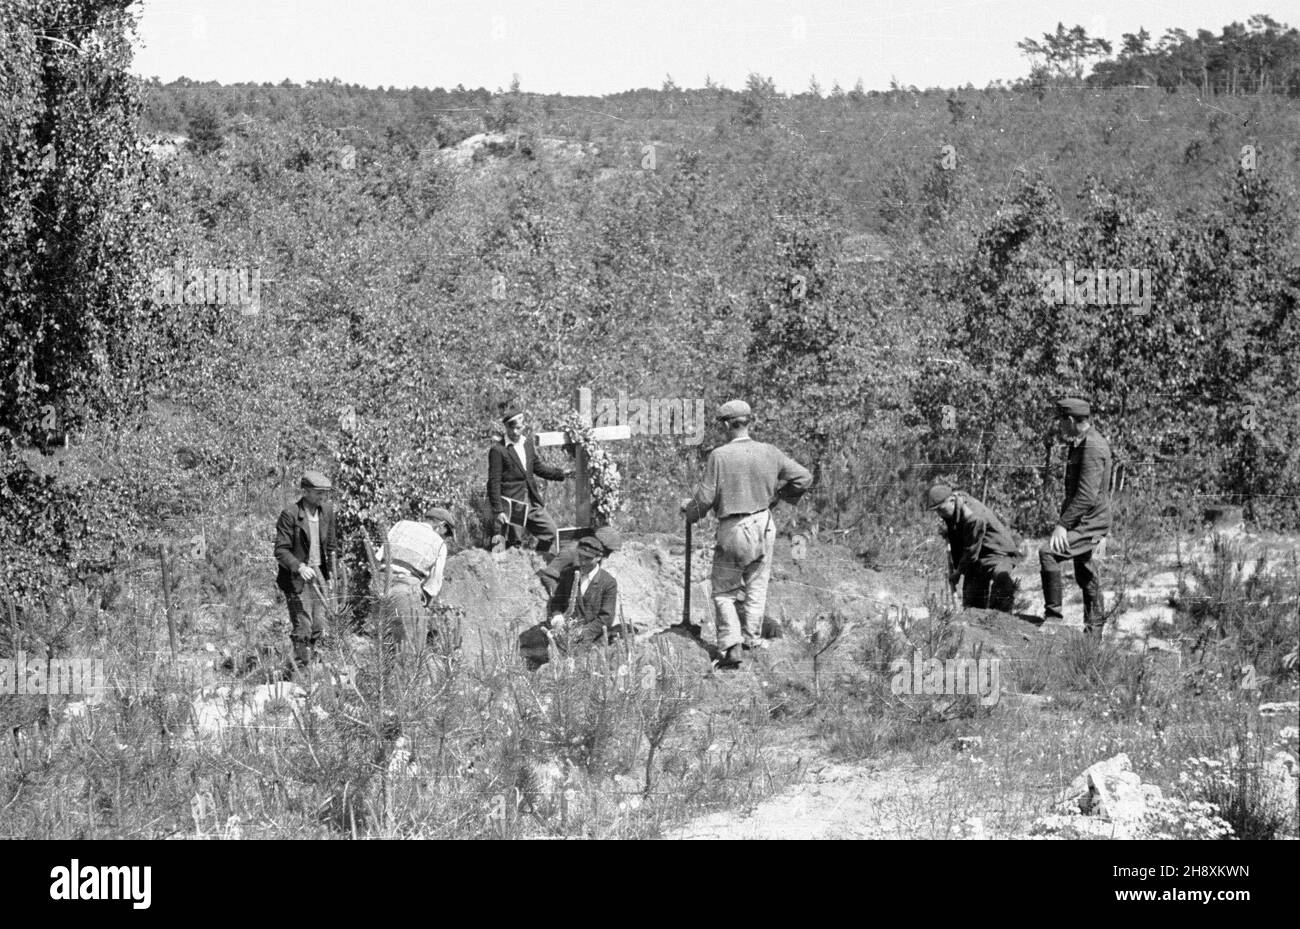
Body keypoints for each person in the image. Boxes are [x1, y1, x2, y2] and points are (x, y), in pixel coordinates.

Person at [682, 400, 812, 669]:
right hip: (764, 524)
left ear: (728, 424)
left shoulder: (719, 456)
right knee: (756, 586)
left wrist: (690, 512)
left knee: (723, 592)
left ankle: (731, 645)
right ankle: (752, 640)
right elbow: (804, 478)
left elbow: (705, 498)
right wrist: (778, 496)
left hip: (735, 528)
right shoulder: (769, 452)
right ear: (748, 422)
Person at [1040, 397, 1113, 635]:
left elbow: (1086, 495)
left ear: (1070, 420)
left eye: (1061, 421)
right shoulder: (1082, 442)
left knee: (1048, 553)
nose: (1060, 426)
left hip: (1091, 524)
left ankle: (1053, 618)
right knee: (1086, 572)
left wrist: (1062, 525)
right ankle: (1093, 636)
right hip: (1088, 521)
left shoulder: (1092, 447)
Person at [486, 404, 573, 556]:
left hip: (531, 502)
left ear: (523, 426)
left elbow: (539, 468)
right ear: (505, 428)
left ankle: (537, 560)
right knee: (511, 544)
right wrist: (498, 510)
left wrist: (562, 473)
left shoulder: (527, 444)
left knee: (551, 532)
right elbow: (493, 482)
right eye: (510, 428)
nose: (514, 432)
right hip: (513, 505)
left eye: (518, 428)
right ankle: (503, 570)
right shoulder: (498, 450)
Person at [274, 470, 338, 669]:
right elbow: (281, 550)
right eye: (319, 492)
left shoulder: (326, 511)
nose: (323, 497)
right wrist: (299, 566)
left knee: (319, 626)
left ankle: (314, 669)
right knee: (303, 626)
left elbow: (332, 546)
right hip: (297, 579)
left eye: (325, 493)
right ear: (307, 491)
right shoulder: (291, 514)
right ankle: (300, 672)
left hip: (320, 577)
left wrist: (334, 573)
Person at [925, 484, 1022, 612]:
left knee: (1001, 581)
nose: (939, 514)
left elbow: (971, 552)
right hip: (980, 555)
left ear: (952, 500)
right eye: (936, 511)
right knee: (972, 605)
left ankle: (1000, 622)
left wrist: (958, 573)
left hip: (999, 553)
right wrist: (949, 531)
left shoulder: (973, 517)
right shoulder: (956, 502)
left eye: (940, 510)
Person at [374, 509, 455, 655]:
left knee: (383, 645)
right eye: (446, 533)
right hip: (404, 590)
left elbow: (378, 556)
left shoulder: (400, 525)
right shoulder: (439, 544)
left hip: (379, 584)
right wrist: (423, 602)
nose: (445, 538)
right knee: (410, 649)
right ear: (441, 525)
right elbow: (433, 585)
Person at [549, 536, 624, 647]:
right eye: (580, 557)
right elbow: (557, 602)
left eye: (588, 559)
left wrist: (581, 634)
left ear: (598, 557)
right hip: (566, 638)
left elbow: (606, 618)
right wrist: (557, 616)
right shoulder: (568, 575)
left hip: (593, 640)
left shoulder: (608, 583)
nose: (583, 562)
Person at [538, 525, 623, 617]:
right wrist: (563, 599)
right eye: (608, 551)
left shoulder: (596, 556)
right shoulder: (572, 551)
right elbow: (547, 576)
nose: (608, 555)